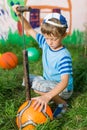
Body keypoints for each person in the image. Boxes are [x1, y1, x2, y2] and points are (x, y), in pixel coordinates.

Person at [12, 5, 73, 118]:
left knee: (36, 86)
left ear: (63, 35)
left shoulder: (63, 56)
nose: (49, 42)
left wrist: (47, 96)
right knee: (27, 79)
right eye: (47, 38)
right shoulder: (45, 43)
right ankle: (47, 93)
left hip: (64, 89)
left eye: (54, 39)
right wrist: (20, 15)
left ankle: (62, 103)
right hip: (49, 81)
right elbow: (29, 30)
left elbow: (64, 82)